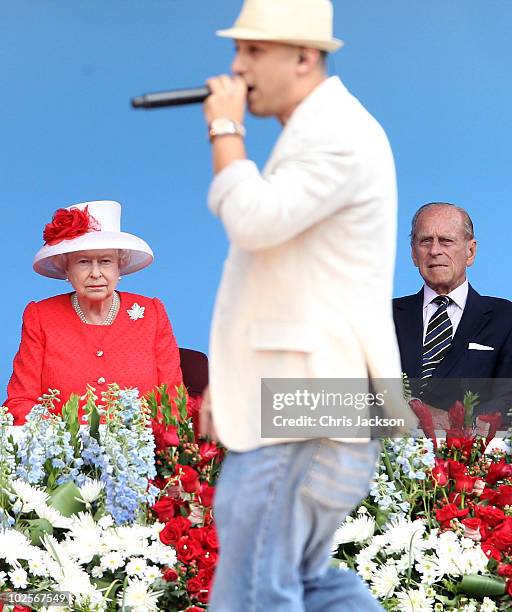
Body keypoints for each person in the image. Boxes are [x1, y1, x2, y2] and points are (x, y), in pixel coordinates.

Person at [198, 0, 415, 609]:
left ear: (305, 57)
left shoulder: (337, 135)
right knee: (309, 582)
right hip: (303, 393)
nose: (238, 67)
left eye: (253, 51)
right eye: (238, 50)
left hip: (306, 398)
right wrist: (234, 379)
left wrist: (225, 130)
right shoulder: (320, 131)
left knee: (251, 592)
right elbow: (285, 276)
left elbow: (252, 220)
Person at [4, 200, 182, 424]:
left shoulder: (151, 314)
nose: (95, 273)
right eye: (83, 262)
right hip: (65, 455)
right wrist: (56, 440)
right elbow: (21, 401)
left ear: (120, 267)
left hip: (142, 454)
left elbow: (173, 401)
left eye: (105, 261)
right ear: (66, 269)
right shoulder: (41, 317)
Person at [393, 202, 512, 425]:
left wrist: (458, 425)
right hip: (392, 455)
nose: (434, 250)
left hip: (474, 454)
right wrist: (416, 411)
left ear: (470, 251)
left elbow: (508, 397)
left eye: (446, 241)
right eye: (425, 241)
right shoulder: (384, 318)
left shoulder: (505, 318)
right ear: (413, 254)